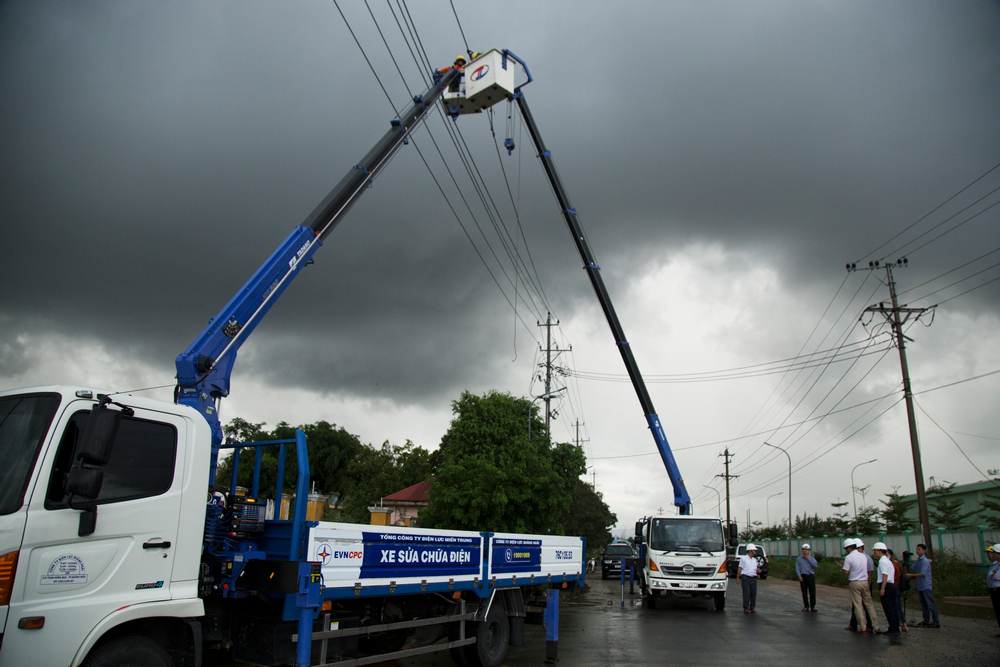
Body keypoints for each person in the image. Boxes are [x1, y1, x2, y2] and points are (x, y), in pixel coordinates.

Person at [842, 538, 880, 634]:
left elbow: (846, 571)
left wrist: (841, 567)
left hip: (855, 582)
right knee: (869, 605)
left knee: (858, 605)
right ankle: (876, 626)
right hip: (865, 582)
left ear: (848, 548)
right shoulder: (864, 557)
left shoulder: (849, 557)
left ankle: (862, 627)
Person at [909, 544, 940, 628]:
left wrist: (911, 575)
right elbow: (911, 568)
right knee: (924, 604)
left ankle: (936, 622)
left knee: (930, 604)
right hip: (920, 586)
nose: (917, 551)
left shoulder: (925, 561)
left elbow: (922, 574)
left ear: (924, 550)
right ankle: (926, 620)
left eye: (919, 549)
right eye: (917, 549)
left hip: (926, 586)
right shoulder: (918, 560)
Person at [874, 542, 900, 635]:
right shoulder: (888, 561)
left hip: (886, 585)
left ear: (880, 551)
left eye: (875, 551)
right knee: (892, 607)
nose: (874, 553)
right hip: (891, 585)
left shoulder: (882, 561)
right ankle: (895, 627)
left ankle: (893, 628)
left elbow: (885, 575)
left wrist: (882, 588)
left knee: (888, 608)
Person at [887, 548, 908, 632]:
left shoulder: (892, 564)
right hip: (899, 587)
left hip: (895, 586)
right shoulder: (898, 563)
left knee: (895, 606)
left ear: (891, 556)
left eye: (887, 554)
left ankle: (898, 624)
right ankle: (904, 624)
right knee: (898, 606)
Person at [737, 544, 759, 613]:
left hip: (753, 578)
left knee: (753, 593)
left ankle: (752, 607)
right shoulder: (743, 559)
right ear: (750, 551)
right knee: (746, 593)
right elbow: (740, 568)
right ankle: (746, 608)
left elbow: (755, 569)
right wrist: (738, 578)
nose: (755, 552)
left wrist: (758, 571)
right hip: (745, 578)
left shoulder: (754, 560)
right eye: (754, 551)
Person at [796, 544, 818, 611]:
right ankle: (806, 606)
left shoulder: (812, 558)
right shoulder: (799, 559)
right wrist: (799, 576)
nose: (805, 551)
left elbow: (815, 565)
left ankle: (813, 606)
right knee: (804, 592)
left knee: (812, 592)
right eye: (804, 550)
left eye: (807, 550)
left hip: (810, 576)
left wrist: (808, 559)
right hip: (803, 576)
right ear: (802, 550)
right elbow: (797, 568)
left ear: (809, 551)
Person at [985, 543, 1000, 637]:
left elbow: (996, 577)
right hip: (994, 590)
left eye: (994, 553)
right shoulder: (996, 564)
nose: (992, 555)